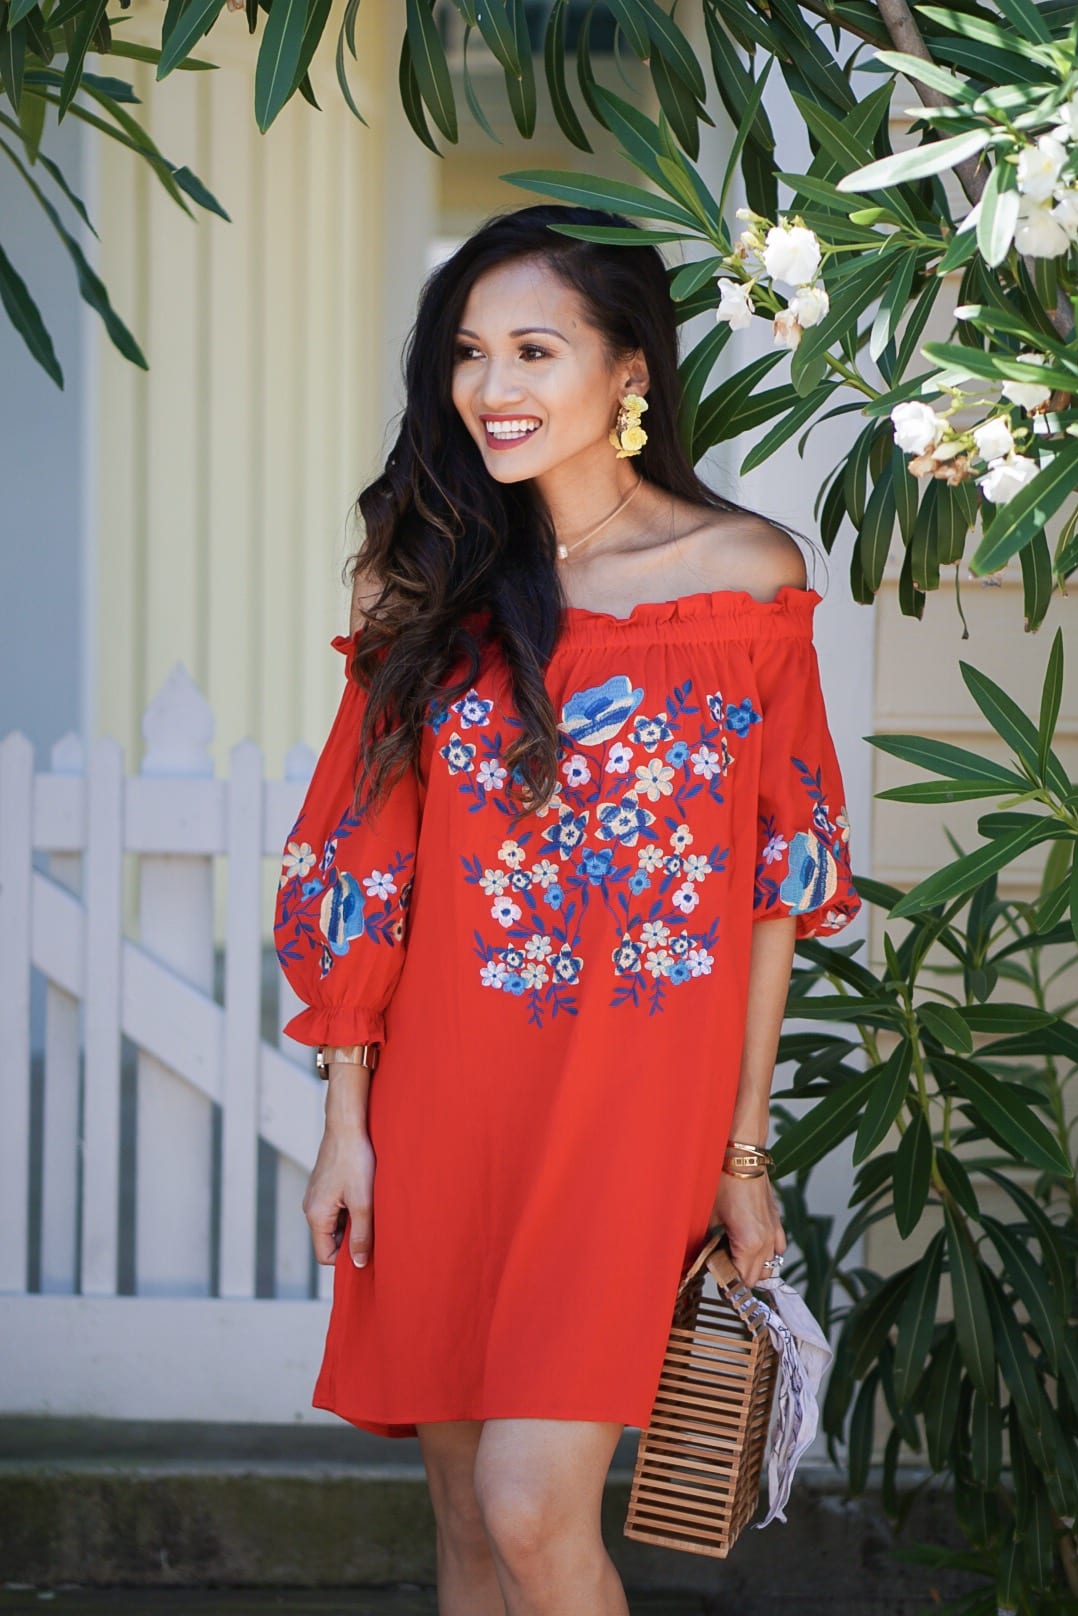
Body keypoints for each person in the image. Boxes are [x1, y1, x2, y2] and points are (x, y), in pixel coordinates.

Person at [273, 203, 861, 1616]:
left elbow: (774, 889)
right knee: (469, 1527)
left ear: (630, 376)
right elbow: (366, 865)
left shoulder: (747, 583)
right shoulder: (430, 587)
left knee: (534, 1507)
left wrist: (742, 1150)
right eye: (470, 355)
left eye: (536, 350)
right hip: (443, 1097)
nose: (493, 389)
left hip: (631, 1100)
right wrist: (347, 1123)